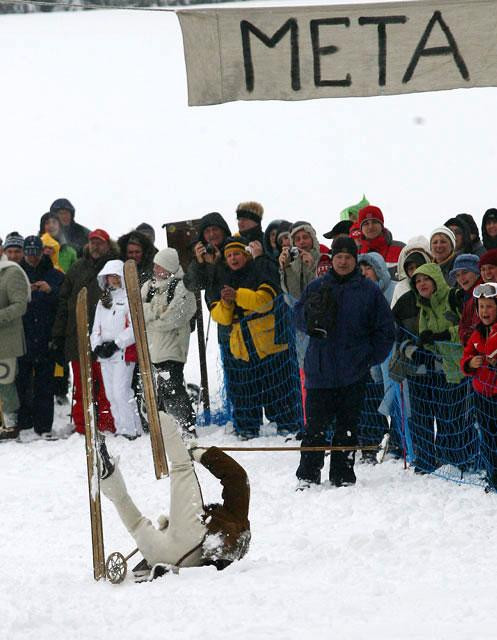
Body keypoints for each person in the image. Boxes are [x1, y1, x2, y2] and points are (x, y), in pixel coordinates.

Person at [295, 237, 395, 488]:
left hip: (353, 372)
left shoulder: (368, 291)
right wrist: (310, 320)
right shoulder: (317, 287)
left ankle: (343, 476)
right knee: (314, 428)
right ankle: (307, 476)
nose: (342, 261)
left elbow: (385, 329)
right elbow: (296, 316)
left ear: (355, 260)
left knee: (347, 427)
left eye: (348, 257)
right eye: (338, 256)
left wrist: (370, 358)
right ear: (332, 260)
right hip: (320, 370)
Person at [99, 412, 250, 571]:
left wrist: (198, 454)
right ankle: (107, 475)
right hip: (162, 556)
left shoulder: (238, 518)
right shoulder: (226, 531)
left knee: (182, 465)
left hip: (190, 542)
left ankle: (158, 415)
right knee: (135, 524)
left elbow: (238, 477)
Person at [210, 237, 302, 438]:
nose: (233, 258)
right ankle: (246, 428)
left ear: (246, 255)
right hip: (240, 344)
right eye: (229, 255)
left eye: (237, 254)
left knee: (277, 386)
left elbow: (265, 302)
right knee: (243, 391)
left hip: (268, 341)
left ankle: (287, 424)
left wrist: (237, 296)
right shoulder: (223, 278)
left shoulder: (260, 270)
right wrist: (226, 304)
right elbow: (221, 317)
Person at [397, 263, 469, 473]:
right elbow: (426, 337)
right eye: (417, 281)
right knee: (447, 414)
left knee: (457, 417)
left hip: (463, 366)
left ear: (436, 279)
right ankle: (447, 458)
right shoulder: (425, 307)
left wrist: (446, 335)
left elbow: (469, 326)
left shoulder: (453, 297)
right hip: (445, 368)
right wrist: (421, 345)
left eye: (425, 279)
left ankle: (461, 460)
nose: (421, 284)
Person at [51, 228, 119, 434]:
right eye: (92, 242)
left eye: (100, 242)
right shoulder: (76, 268)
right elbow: (63, 302)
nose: (95, 246)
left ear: (107, 245)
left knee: (106, 385)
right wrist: (58, 333)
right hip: (77, 335)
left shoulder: (114, 268)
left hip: (106, 337)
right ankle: (82, 425)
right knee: (81, 386)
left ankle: (108, 423)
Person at [141, 248, 197, 436]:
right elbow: (136, 311)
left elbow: (173, 319)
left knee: (172, 386)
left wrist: (151, 317)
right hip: (153, 348)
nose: (156, 269)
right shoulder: (148, 287)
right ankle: (165, 424)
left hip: (172, 348)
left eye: (161, 266)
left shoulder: (183, 288)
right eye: (155, 265)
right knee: (160, 388)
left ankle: (186, 424)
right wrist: (155, 313)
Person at [16, 236, 64, 442]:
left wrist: (50, 291)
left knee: (46, 383)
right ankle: (24, 424)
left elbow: (63, 301)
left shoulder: (54, 274)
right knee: (23, 383)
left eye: (35, 253)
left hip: (46, 336)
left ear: (41, 252)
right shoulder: (16, 274)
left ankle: (44, 425)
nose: (32, 257)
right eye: (29, 253)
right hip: (23, 336)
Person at [90, 260, 142, 439]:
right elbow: (96, 327)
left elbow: (134, 327)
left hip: (122, 352)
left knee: (122, 391)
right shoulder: (103, 300)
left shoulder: (130, 298)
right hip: (105, 354)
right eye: (109, 276)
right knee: (111, 394)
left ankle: (131, 429)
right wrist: (96, 345)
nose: (112, 279)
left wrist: (117, 343)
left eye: (115, 276)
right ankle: (122, 427)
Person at [461, 282, 497, 489]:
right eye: (481, 307)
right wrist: (469, 363)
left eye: (489, 306)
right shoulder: (477, 333)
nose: (485, 311)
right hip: (481, 393)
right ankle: (493, 475)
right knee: (489, 437)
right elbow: (466, 356)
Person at [0, 255, 30, 440]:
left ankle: (11, 425)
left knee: (5, 382)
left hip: (6, 341)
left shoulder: (11, 272)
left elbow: (20, 305)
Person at [183, 211, 232, 306]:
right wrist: (199, 263)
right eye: (207, 231)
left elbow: (231, 280)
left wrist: (216, 264)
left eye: (215, 229)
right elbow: (192, 286)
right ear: (203, 236)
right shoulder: (205, 255)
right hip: (220, 313)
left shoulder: (234, 248)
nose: (212, 234)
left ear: (223, 230)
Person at [357, 205, 404, 277]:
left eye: (374, 222)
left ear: (381, 225)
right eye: (366, 224)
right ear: (361, 229)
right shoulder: (355, 253)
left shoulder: (400, 249)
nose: (370, 226)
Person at [447, 254, 480, 346]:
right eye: (457, 275)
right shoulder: (467, 296)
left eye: (465, 272)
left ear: (477, 272)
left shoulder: (482, 295)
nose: (461, 278)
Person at [391, 236, 432, 308]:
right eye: (411, 268)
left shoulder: (436, 282)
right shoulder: (401, 287)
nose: (415, 271)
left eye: (419, 266)